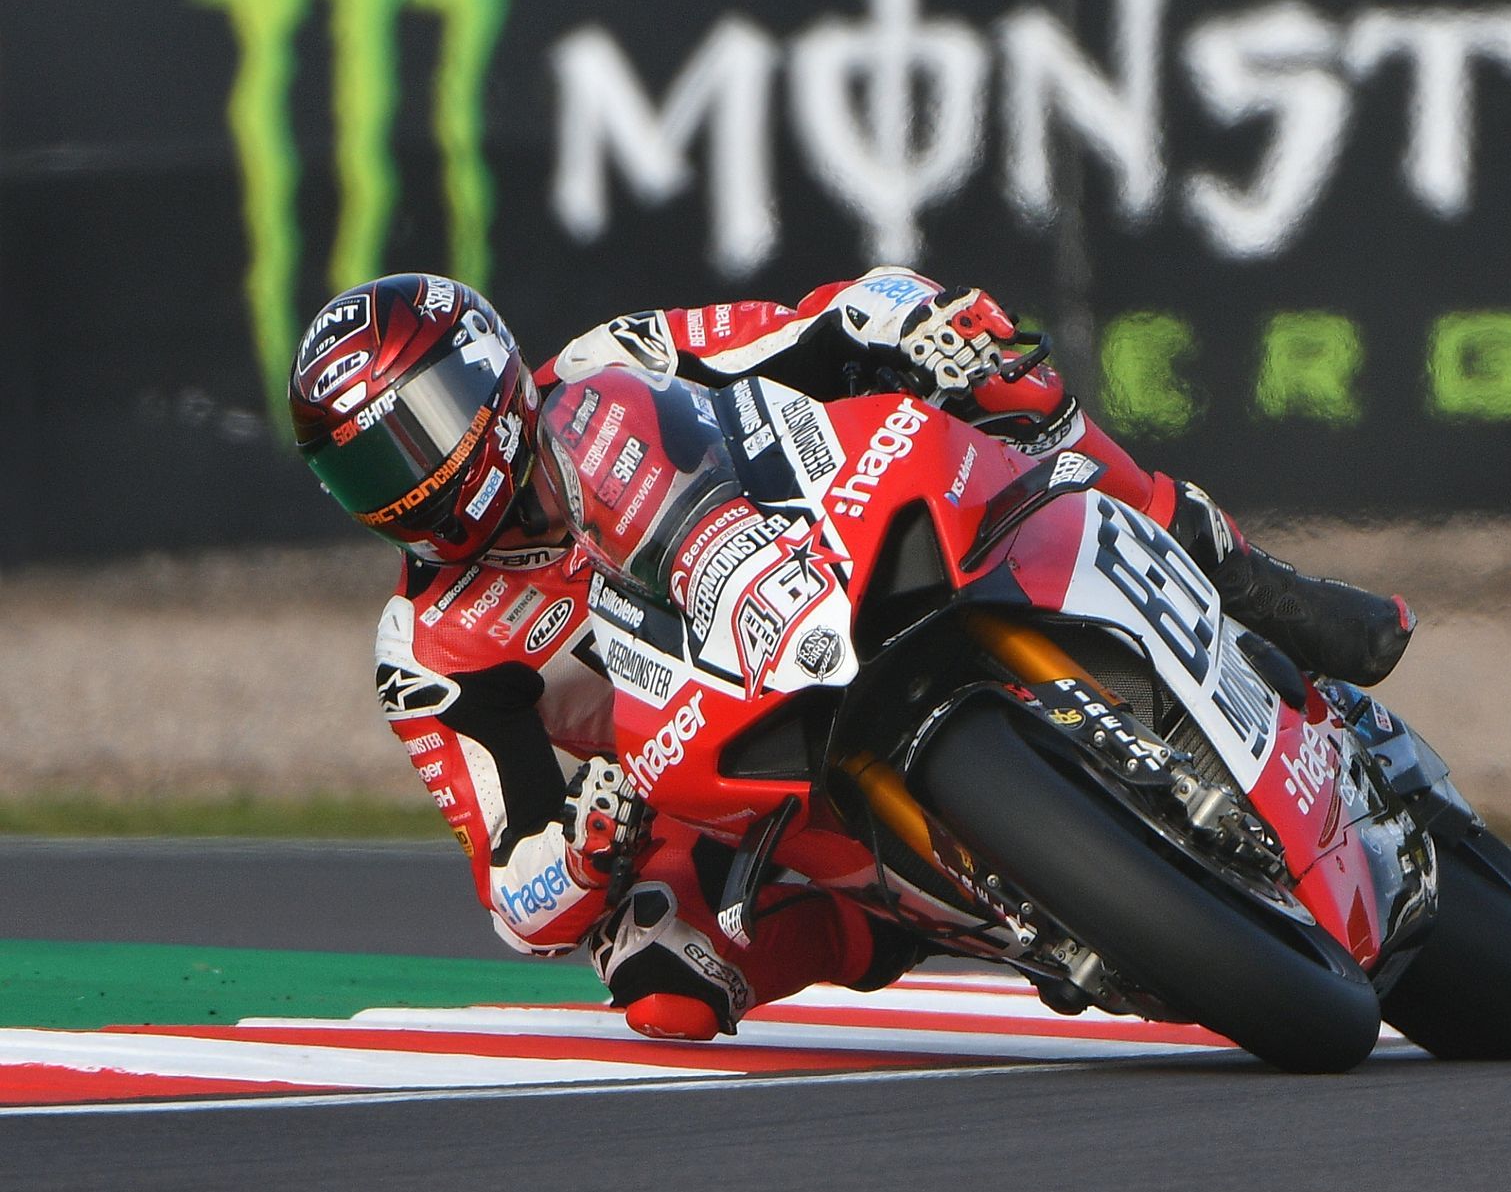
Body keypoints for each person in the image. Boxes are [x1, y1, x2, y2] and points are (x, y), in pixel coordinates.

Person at [288, 268, 1413, 1041]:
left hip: (831, 544)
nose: (411, 475)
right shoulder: (432, 646)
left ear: (483, 365)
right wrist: (586, 847)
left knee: (998, 371)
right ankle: (939, 912)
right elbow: (514, 888)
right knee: (658, 978)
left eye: (417, 422)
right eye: (368, 469)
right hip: (707, 755)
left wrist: (914, 329)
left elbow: (811, 323)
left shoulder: (608, 363)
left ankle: (1240, 573)